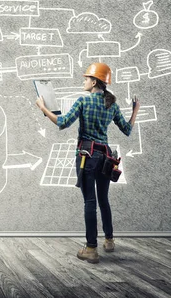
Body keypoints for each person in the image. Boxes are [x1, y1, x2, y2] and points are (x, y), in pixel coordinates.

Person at [35, 62, 140, 264]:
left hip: (87, 156)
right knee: (104, 200)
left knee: (90, 202)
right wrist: (135, 111)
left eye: (86, 79)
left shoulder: (83, 101)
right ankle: (109, 240)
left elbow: (63, 123)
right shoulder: (112, 105)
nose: (83, 82)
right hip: (106, 158)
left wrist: (43, 108)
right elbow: (127, 129)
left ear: (94, 81)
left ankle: (91, 248)